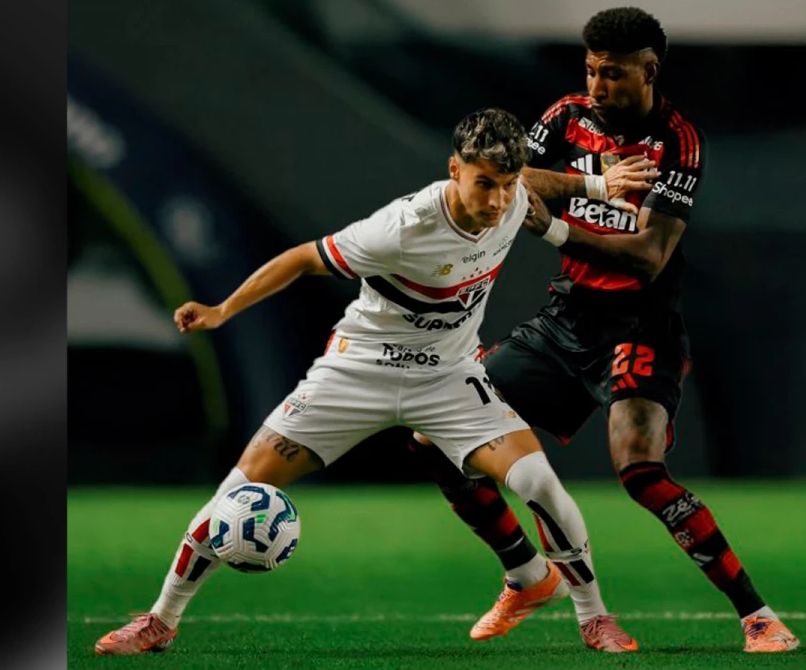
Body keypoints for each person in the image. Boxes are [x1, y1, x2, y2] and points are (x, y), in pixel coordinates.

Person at [93, 108, 650, 656]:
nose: (498, 201)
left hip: (448, 377)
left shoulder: (513, 198)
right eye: (485, 184)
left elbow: (534, 181)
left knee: (538, 482)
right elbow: (301, 259)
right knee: (236, 494)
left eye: (505, 186)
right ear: (454, 169)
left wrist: (598, 186)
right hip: (358, 371)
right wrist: (221, 310)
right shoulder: (401, 229)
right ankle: (160, 621)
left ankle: (593, 616)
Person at [407, 7, 800, 654]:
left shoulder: (678, 141)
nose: (596, 86)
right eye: (590, 70)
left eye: (612, 74)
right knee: (431, 431)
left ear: (649, 71)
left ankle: (757, 615)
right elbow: (511, 176)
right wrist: (590, 181)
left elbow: (650, 255)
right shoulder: (567, 117)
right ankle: (526, 574)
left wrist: (556, 226)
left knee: (639, 468)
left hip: (641, 325)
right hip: (566, 318)